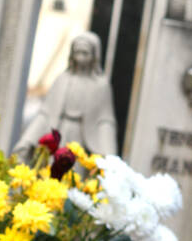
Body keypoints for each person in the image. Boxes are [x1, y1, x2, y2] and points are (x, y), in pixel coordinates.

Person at [14, 31, 118, 159]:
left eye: (85, 53)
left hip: (82, 139)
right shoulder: (62, 80)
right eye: (77, 53)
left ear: (94, 56)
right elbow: (46, 113)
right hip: (59, 133)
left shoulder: (100, 86)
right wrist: (28, 140)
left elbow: (105, 120)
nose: (80, 58)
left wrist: (109, 153)